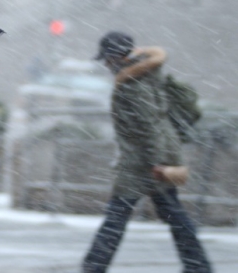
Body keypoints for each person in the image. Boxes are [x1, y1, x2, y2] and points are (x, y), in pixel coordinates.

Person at [82, 31, 212, 273]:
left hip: (142, 162)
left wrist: (156, 163)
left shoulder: (132, 84)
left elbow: (148, 125)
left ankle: (93, 267)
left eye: (107, 59)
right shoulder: (147, 75)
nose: (106, 65)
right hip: (155, 155)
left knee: (116, 217)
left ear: (117, 57)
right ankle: (198, 266)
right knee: (173, 215)